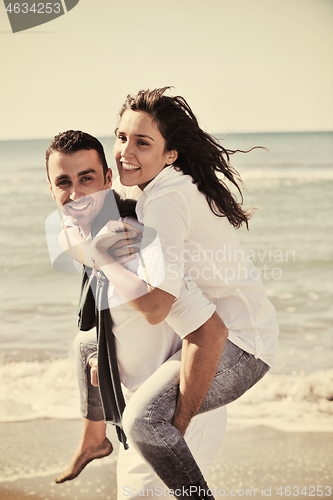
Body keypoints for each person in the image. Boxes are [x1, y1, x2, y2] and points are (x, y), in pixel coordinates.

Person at [85, 87, 279, 499]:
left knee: (142, 423)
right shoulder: (160, 189)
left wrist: (101, 254)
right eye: (121, 137)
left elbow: (156, 307)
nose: (125, 151)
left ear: (170, 154)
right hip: (238, 335)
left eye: (142, 142)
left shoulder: (166, 200)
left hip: (243, 345)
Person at [45, 130, 228, 499]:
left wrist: (177, 425)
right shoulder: (85, 231)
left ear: (109, 178)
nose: (76, 194)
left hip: (172, 414)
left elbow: (207, 330)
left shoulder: (133, 240)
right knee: (84, 342)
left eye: (87, 178)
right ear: (51, 189)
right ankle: (92, 439)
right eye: (64, 182)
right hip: (138, 412)